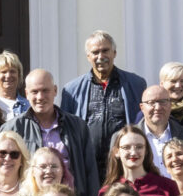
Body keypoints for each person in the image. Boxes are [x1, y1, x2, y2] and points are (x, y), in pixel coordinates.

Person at [5, 69, 98, 196]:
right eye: (34, 92)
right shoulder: (12, 129)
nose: (40, 97)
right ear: (27, 94)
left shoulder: (77, 127)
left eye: (45, 91)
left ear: (55, 91)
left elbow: (90, 174)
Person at [57, 30, 146, 161]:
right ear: (88, 56)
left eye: (105, 51)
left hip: (124, 162)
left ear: (114, 53)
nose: (100, 56)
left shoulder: (136, 84)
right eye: (95, 52)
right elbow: (65, 132)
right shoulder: (71, 90)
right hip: (88, 164)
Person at [138, 84, 183, 188]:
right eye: (151, 103)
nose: (158, 107)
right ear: (142, 107)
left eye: (163, 102)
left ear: (170, 105)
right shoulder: (128, 138)